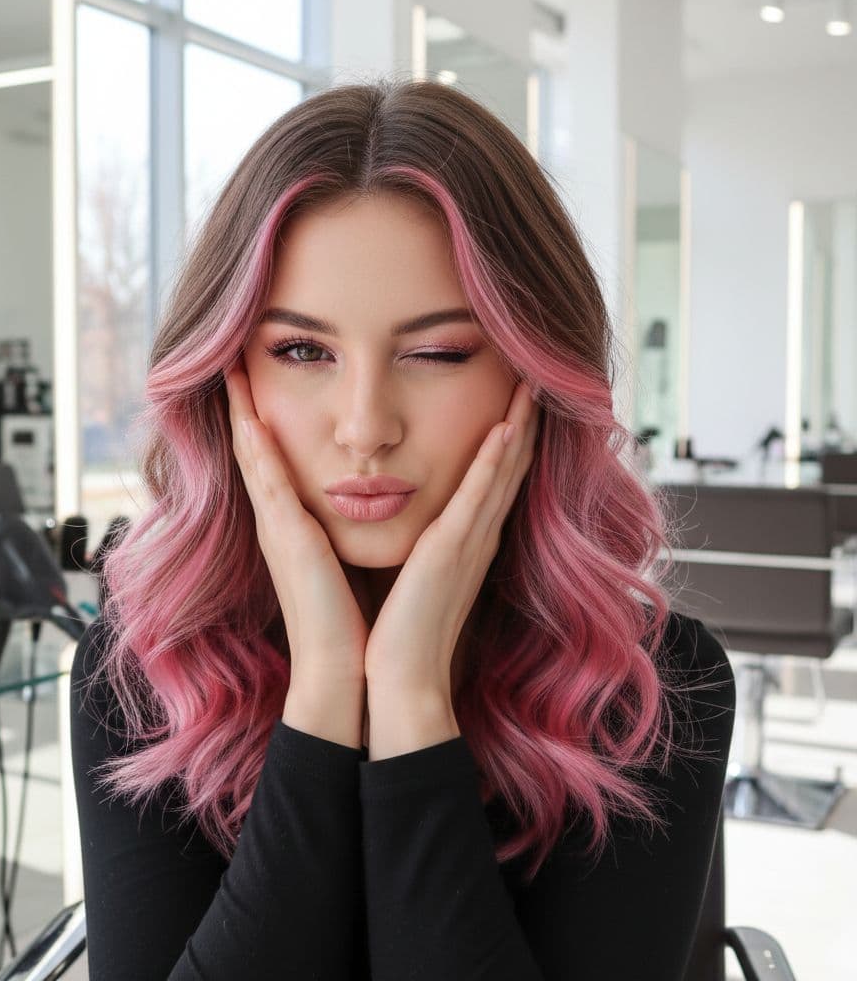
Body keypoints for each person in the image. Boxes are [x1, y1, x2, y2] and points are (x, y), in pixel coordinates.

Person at [69, 78, 735, 980]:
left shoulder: (647, 684)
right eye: (302, 351)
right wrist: (326, 693)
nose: (364, 425)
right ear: (231, 375)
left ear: (534, 375)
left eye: (436, 354)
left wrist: (412, 698)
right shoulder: (147, 668)